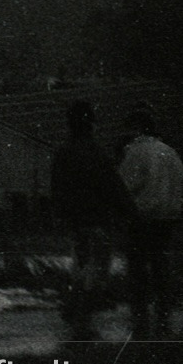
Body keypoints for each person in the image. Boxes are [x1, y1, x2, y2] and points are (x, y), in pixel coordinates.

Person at [50, 100, 135, 337]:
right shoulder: (98, 153)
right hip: (97, 218)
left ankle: (75, 307)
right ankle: (83, 311)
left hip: (74, 220)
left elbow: (57, 187)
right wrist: (129, 210)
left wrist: (59, 214)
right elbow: (114, 186)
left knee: (80, 262)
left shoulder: (63, 153)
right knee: (97, 266)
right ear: (91, 124)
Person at [117, 103, 183, 337]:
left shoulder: (135, 152)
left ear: (137, 128)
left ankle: (140, 315)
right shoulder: (169, 151)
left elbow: (126, 185)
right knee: (160, 263)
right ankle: (163, 308)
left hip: (142, 216)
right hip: (167, 217)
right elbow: (182, 184)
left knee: (138, 266)